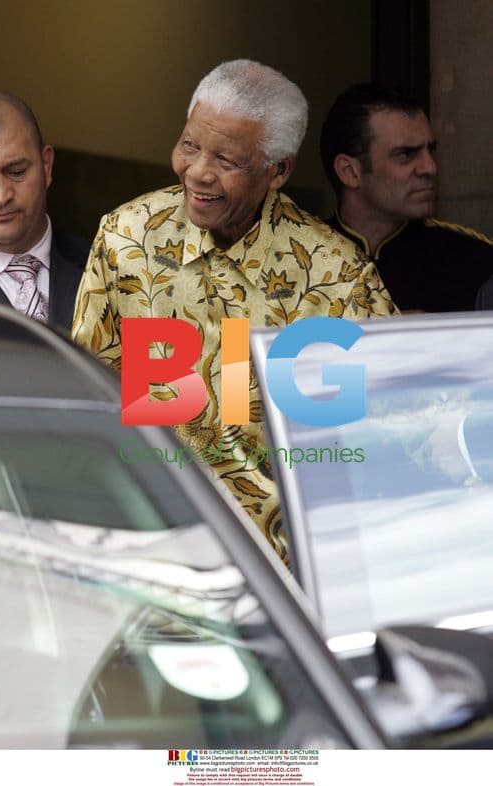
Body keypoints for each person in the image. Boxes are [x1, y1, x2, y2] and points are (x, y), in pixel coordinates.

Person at [72, 59, 397, 563]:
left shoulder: (338, 276)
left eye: (226, 160)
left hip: (282, 569)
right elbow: (87, 399)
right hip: (149, 553)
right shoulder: (126, 237)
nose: (198, 172)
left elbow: (378, 443)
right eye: (189, 145)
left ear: (278, 170)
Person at [320, 83, 493, 312]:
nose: (430, 167)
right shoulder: (293, 261)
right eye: (406, 154)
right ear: (350, 172)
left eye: (430, 150)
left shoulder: (476, 262)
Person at [0, 90, 90, 330]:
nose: (1, 196)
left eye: (16, 172)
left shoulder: (118, 270)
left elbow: (160, 353)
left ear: (46, 166)